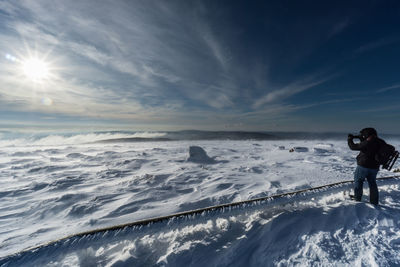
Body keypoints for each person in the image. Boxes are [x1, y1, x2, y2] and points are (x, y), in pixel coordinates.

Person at [348, 127, 385, 205]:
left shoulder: (368, 142)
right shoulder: (381, 142)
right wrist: (362, 139)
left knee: (358, 181)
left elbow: (353, 147)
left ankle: (357, 199)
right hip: (375, 167)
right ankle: (374, 202)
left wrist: (349, 139)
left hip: (363, 166)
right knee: (372, 183)